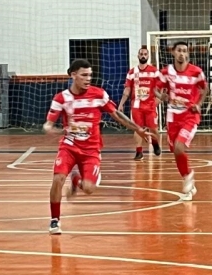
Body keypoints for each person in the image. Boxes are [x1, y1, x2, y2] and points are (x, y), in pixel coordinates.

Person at [44, 59, 152, 234]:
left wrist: (138, 130)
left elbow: (117, 114)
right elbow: (48, 123)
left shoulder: (98, 95)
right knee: (57, 179)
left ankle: (76, 180)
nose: (88, 79)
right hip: (69, 147)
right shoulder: (61, 98)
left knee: (88, 189)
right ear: (73, 75)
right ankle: (55, 220)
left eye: (90, 75)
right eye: (84, 75)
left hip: (91, 150)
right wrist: (50, 128)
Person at [156, 41, 206, 200]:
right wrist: (161, 96)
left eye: (185, 51)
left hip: (189, 116)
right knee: (176, 152)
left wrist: (198, 104)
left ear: (188, 53)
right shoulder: (166, 72)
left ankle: (189, 175)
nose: (182, 54)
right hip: (172, 117)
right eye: (179, 51)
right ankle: (187, 178)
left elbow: (205, 88)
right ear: (173, 52)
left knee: (179, 147)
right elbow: (155, 89)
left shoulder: (196, 72)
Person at [117, 46, 162, 161]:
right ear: (138, 56)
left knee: (154, 129)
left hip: (150, 105)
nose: (143, 55)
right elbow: (127, 89)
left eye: (145, 54)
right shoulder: (132, 72)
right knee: (137, 129)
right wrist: (121, 103)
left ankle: (155, 143)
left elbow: (160, 88)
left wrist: (159, 100)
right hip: (137, 106)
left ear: (148, 56)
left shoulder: (154, 71)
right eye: (141, 53)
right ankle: (139, 152)